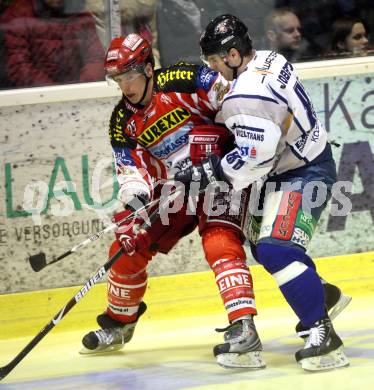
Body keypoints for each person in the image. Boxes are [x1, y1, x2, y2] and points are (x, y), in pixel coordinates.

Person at [175, 14, 351, 371]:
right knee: (260, 243)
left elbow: (254, 161)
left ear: (235, 54)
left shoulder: (246, 96)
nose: (213, 68)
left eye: (215, 60)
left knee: (276, 249)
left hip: (304, 172)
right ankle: (320, 295)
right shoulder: (271, 58)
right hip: (295, 164)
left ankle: (323, 334)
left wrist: (208, 172)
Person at [79, 32, 266, 369]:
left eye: (131, 75)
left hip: (220, 176)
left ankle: (244, 328)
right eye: (118, 79)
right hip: (174, 189)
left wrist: (226, 147)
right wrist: (135, 197)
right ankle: (121, 323)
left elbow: (238, 103)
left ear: (149, 69)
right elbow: (129, 167)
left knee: (219, 241)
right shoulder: (122, 120)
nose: (125, 86)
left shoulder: (185, 79)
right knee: (127, 245)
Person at [0, 0, 105, 87]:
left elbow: (96, 58)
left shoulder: (80, 14)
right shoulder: (17, 16)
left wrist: (81, 88)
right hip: (35, 98)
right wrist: (53, 92)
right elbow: (19, 68)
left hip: (79, 94)